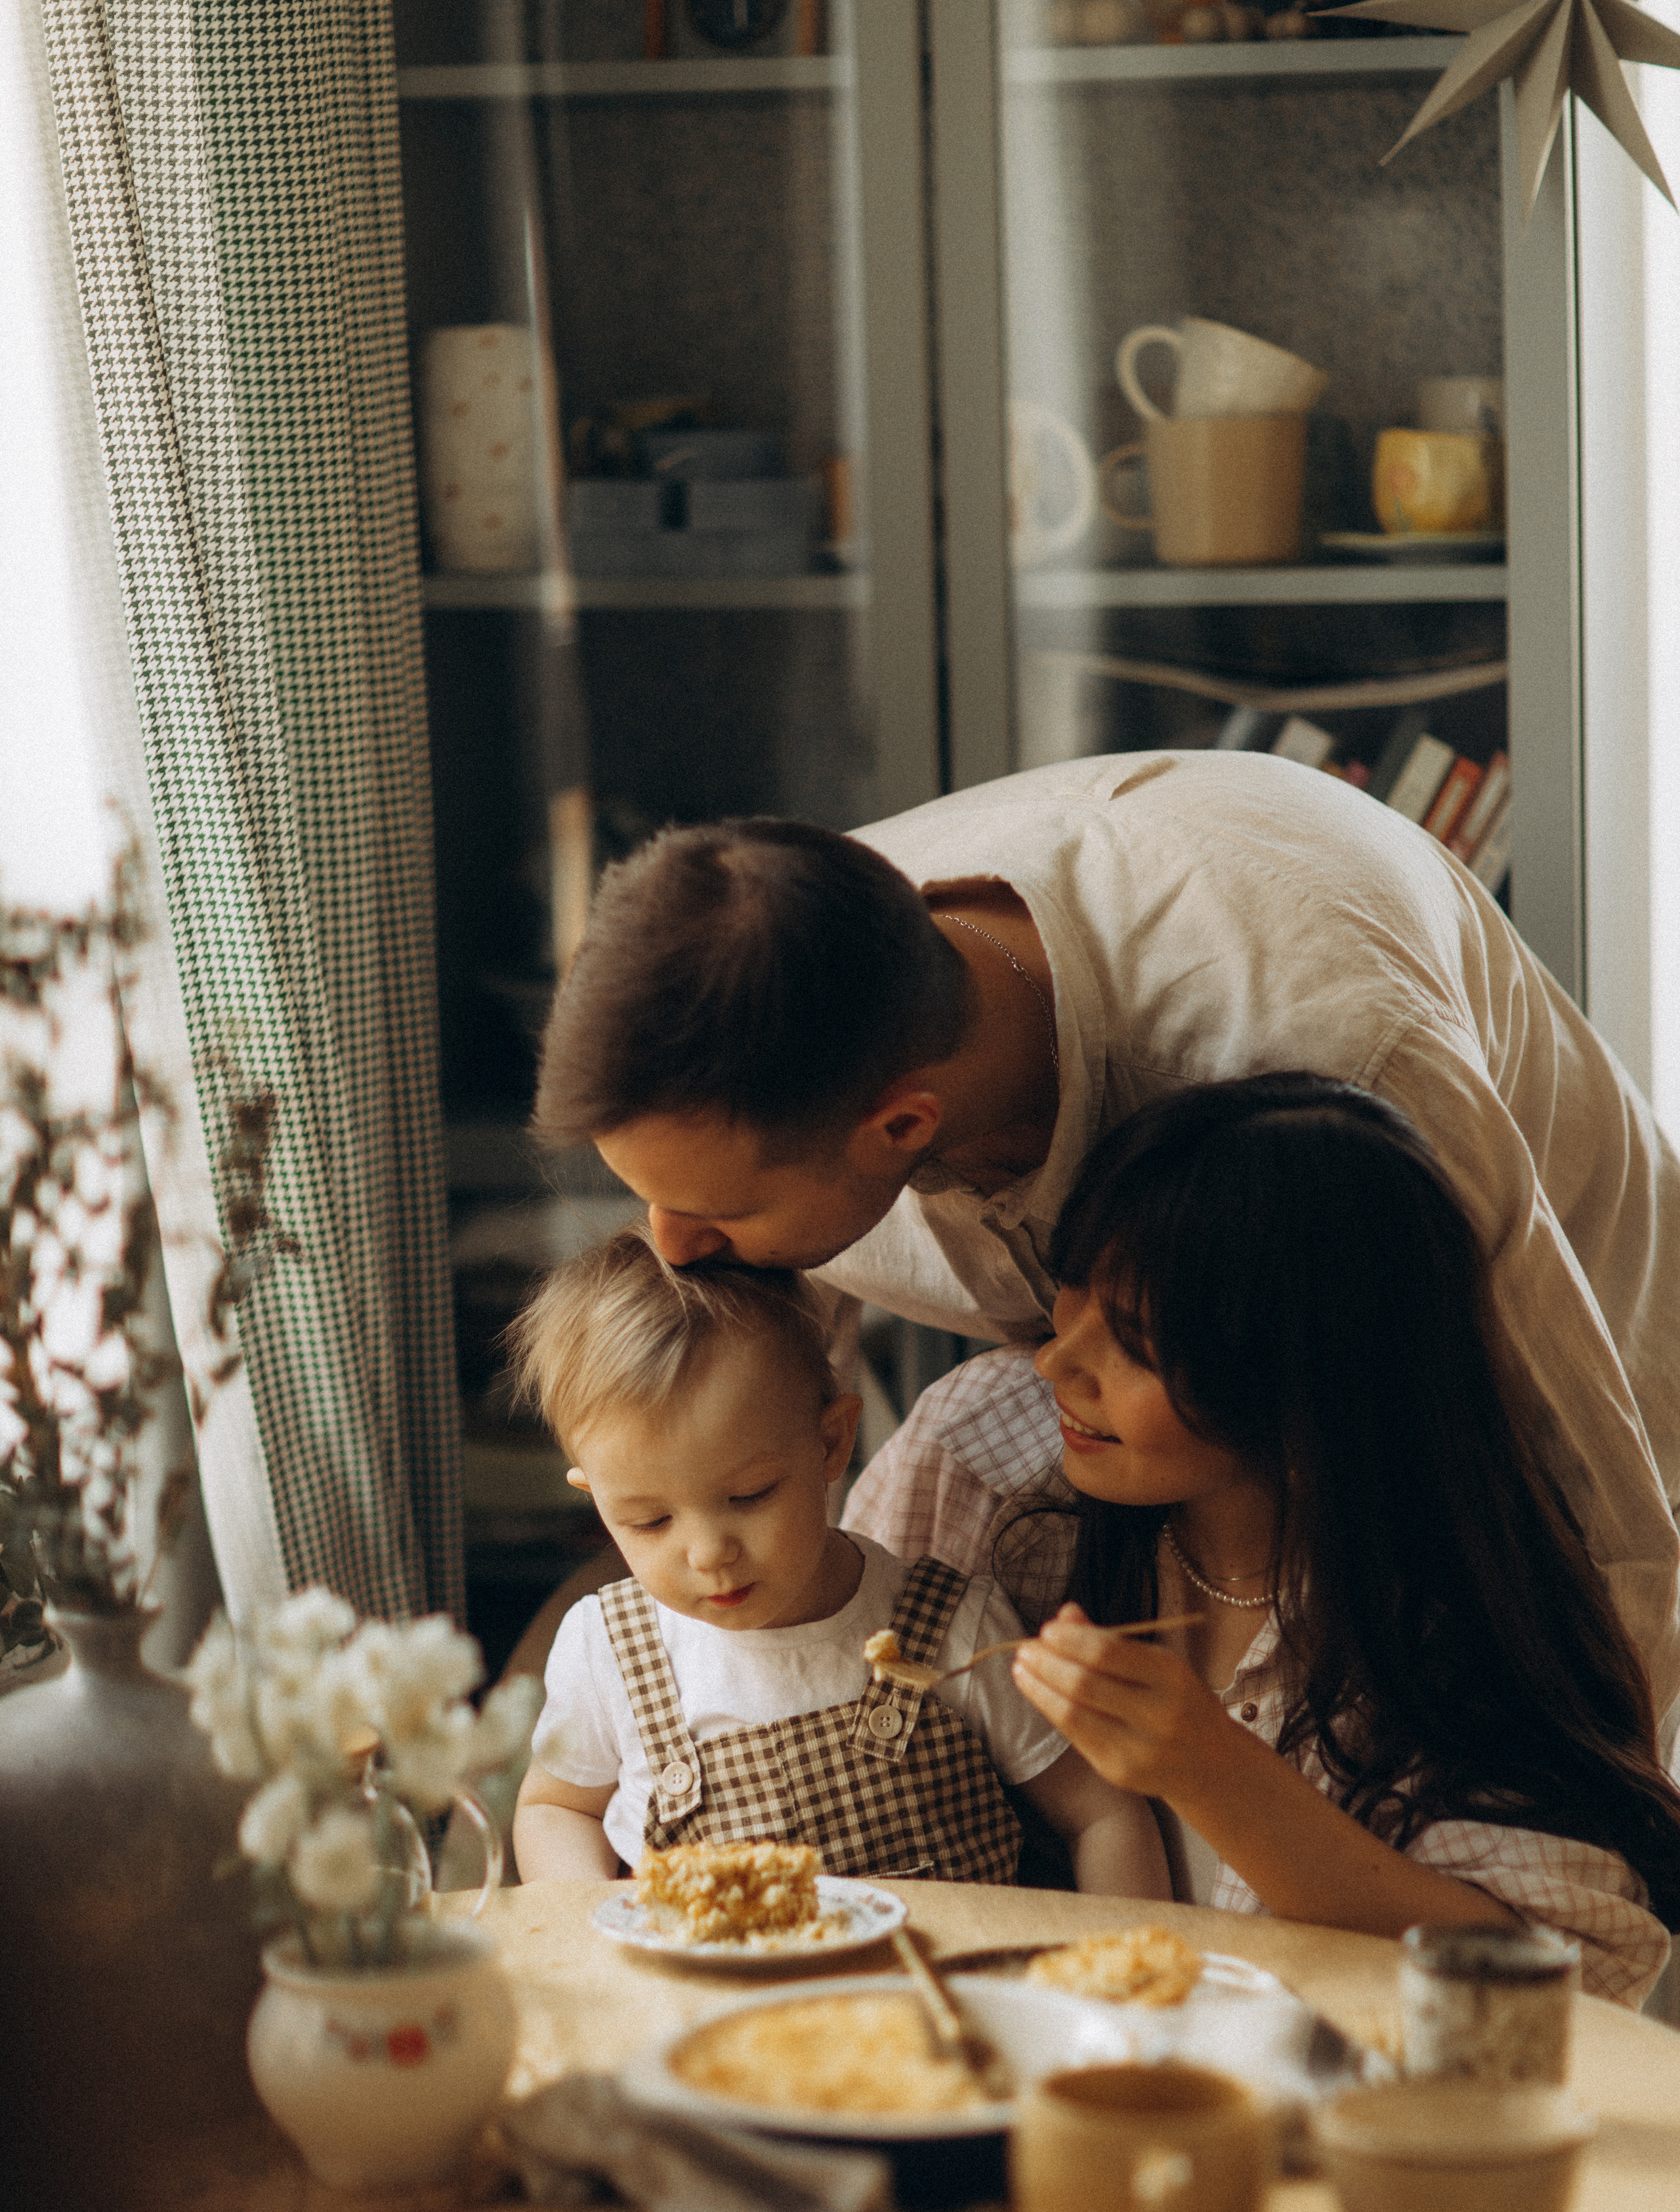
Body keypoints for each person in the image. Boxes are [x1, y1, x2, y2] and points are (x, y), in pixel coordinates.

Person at [530, 754, 1680, 1735]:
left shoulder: (1324, 1050)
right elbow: (728, 1430)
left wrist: (1607, 1824)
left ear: (902, 1128)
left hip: (1550, 1358)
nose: (670, 1249)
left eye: (716, 1218)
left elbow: (1608, 1514)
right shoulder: (771, 993)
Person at [983, 1074, 1676, 2005]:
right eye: (1074, 1291)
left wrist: (1212, 1773)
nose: (1057, 1359)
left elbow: (1558, 1978)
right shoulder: (989, 1476)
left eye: (1139, 1342)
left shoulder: (1441, 1633)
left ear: (1306, 1400)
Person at [507, 1228, 1163, 1895]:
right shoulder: (607, 1652)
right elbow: (556, 1808)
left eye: (750, 1495)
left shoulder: (950, 1628)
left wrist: (1123, 1981)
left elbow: (1100, 1813)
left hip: (938, 1994)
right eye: (648, 1520)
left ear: (830, 1443)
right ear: (596, 1499)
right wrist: (587, 1911)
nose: (708, 1554)